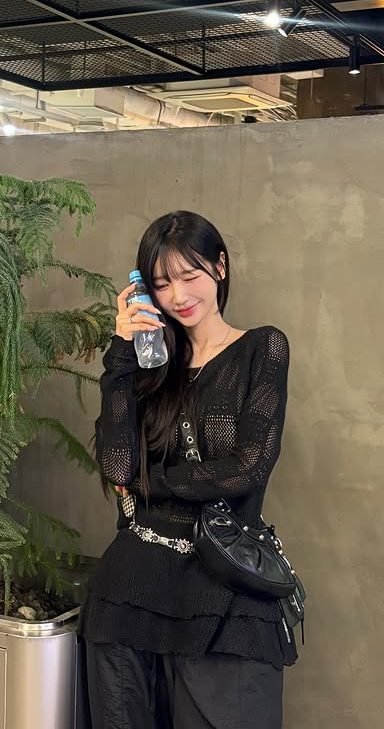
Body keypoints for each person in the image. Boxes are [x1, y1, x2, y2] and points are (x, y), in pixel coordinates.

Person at [77, 210, 297, 729]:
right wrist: (122, 355)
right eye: (161, 284)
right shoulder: (149, 367)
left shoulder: (261, 348)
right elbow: (117, 466)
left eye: (189, 275)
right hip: (130, 588)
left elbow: (247, 468)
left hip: (222, 592)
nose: (178, 296)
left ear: (220, 266)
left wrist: (152, 486)